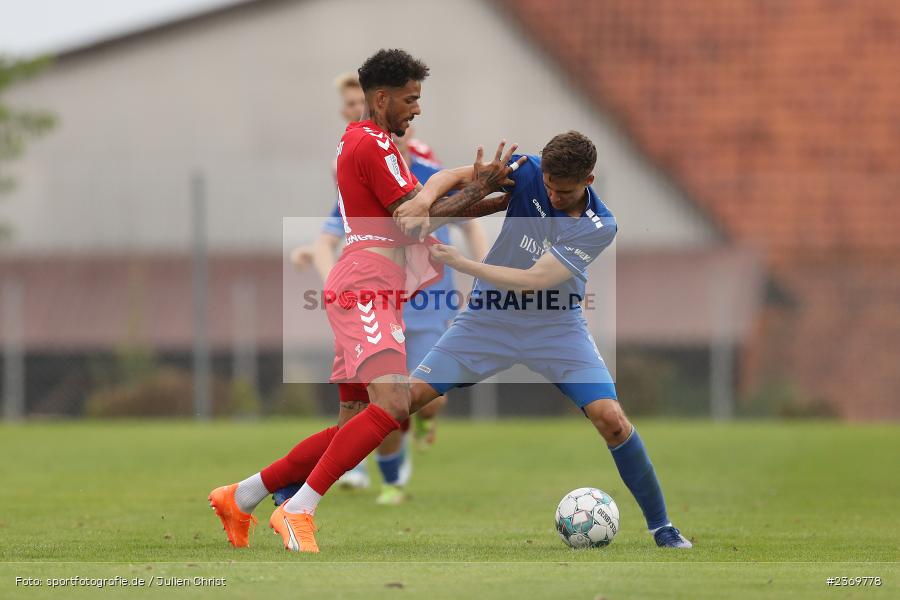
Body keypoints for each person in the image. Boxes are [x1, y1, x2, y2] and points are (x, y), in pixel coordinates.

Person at [208, 48, 520, 552]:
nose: (416, 109)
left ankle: (241, 496)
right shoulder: (371, 146)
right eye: (410, 99)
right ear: (382, 97)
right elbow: (412, 222)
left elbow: (429, 208)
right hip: (366, 287)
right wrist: (478, 186)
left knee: (354, 424)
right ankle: (298, 510)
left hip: (373, 287)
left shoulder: (376, 144)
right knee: (394, 406)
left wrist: (500, 197)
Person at [402, 130, 692, 549]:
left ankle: (662, 527)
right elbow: (450, 176)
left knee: (612, 420)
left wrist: (464, 263)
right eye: (550, 188)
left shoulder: (599, 225)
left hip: (556, 328)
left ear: (588, 181)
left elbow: (535, 280)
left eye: (565, 190)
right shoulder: (530, 170)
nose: (554, 196)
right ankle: (298, 484)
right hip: (489, 321)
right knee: (402, 401)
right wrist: (423, 199)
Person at [283, 126, 488, 505]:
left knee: (420, 399)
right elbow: (331, 239)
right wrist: (336, 285)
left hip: (430, 306)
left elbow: (469, 220)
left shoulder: (426, 177)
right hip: (376, 304)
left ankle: (272, 489)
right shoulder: (360, 179)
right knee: (384, 404)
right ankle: (388, 482)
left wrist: (482, 276)